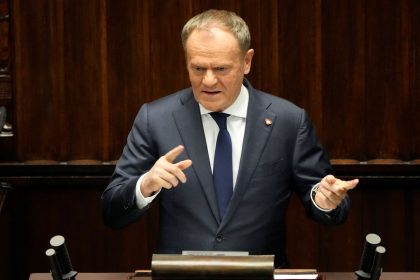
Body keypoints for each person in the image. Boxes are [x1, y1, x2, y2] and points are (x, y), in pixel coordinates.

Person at [101, 9, 359, 267]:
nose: (208, 80)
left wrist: (325, 200)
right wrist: (145, 185)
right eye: (198, 68)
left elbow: (323, 195)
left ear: (247, 61)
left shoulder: (288, 121)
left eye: (221, 68)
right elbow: (111, 211)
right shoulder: (155, 119)